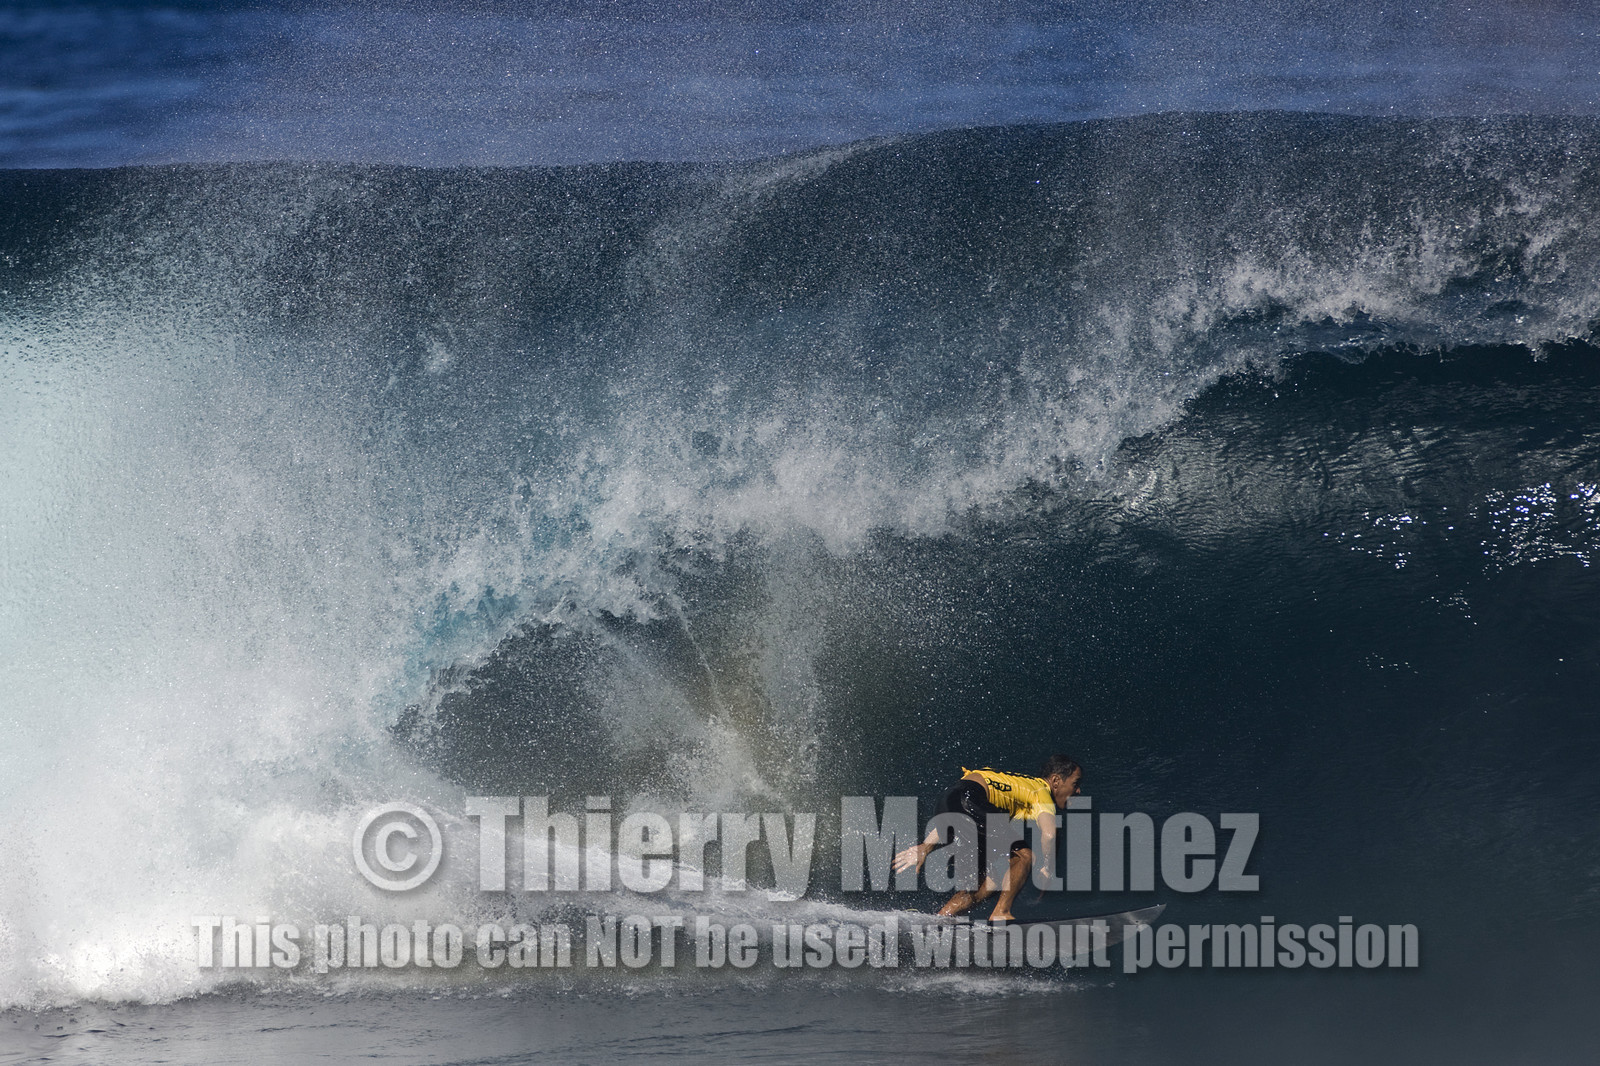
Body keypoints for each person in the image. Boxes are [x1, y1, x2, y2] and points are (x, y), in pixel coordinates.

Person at [891, 754, 1082, 922]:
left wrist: (925, 846)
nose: (1078, 791)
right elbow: (1049, 834)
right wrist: (1047, 869)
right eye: (1075, 784)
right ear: (1055, 781)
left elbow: (956, 807)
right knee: (1024, 856)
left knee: (987, 884)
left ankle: (940, 919)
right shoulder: (1040, 792)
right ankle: (1001, 912)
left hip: (948, 801)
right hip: (970, 801)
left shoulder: (1016, 783)